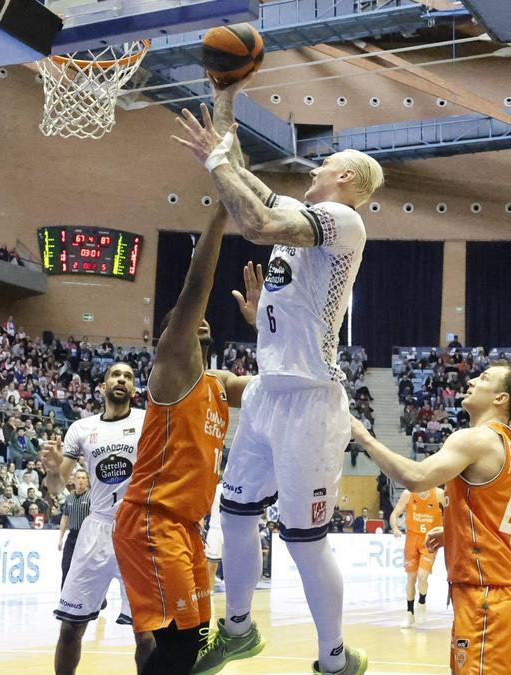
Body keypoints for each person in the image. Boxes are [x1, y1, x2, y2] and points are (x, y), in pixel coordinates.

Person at [181, 77, 383, 675]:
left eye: (328, 163)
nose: (318, 166)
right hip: (269, 390)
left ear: (346, 179)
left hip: (312, 401)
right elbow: (243, 178)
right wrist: (225, 95)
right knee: (235, 511)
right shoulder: (303, 210)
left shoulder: (343, 221)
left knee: (303, 539)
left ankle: (335, 658)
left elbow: (256, 223)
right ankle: (237, 629)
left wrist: (216, 160)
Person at [113, 205, 252, 675]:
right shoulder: (172, 370)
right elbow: (196, 288)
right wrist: (219, 217)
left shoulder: (220, 384)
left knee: (189, 646)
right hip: (153, 519)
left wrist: (263, 325)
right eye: (185, 319)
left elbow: (276, 384)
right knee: (173, 646)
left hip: (188, 528)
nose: (200, 318)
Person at [346, 363, 511, 675]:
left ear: (501, 399)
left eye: (484, 378)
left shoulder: (475, 439)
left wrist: (363, 437)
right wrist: (453, 531)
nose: (472, 380)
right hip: (497, 590)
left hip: (485, 591)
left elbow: (416, 477)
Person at [41, 361, 149, 675]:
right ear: (102, 386)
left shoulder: (148, 421)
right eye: (116, 374)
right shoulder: (81, 429)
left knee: (146, 633)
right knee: (70, 628)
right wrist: (50, 470)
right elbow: (57, 487)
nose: (122, 379)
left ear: (133, 389)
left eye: (129, 376)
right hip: (97, 529)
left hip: (137, 532)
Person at [389, 487, 445, 628]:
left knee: (422, 576)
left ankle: (422, 602)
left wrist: (445, 529)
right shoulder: (408, 494)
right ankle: (409, 613)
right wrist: (395, 528)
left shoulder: (438, 494)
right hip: (412, 538)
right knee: (411, 578)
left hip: (430, 538)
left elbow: (452, 514)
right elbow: (395, 513)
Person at [56, 470, 90, 585]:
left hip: (87, 537)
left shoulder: (92, 497)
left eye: (83, 478)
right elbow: (65, 517)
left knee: (88, 569)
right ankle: (65, 597)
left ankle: (100, 601)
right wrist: (60, 538)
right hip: (72, 536)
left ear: (87, 481)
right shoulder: (69, 498)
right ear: (74, 480)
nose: (81, 480)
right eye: (79, 478)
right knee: (66, 566)